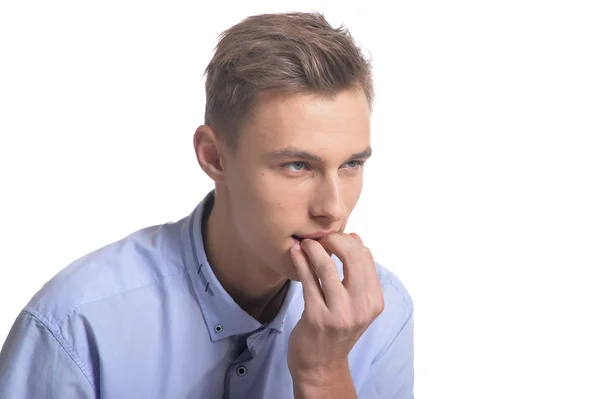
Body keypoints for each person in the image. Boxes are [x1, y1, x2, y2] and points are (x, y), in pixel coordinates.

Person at [0, 11, 414, 398]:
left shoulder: (382, 314)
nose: (333, 207)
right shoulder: (76, 325)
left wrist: (325, 375)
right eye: (297, 165)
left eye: (351, 164)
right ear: (214, 157)